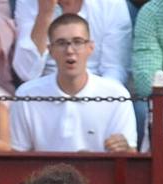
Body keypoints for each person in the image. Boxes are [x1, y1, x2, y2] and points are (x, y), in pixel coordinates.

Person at [10, 13, 137, 152]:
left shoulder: (117, 95)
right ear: (50, 50)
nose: (70, 50)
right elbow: (18, 156)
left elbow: (130, 159)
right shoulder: (26, 94)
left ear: (90, 47)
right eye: (61, 43)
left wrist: (124, 148)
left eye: (77, 42)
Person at [12, 0, 129, 90]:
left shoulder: (112, 3)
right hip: (44, 92)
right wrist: (45, 13)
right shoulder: (28, 2)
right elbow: (26, 73)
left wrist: (91, 97)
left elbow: (114, 70)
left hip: (96, 91)